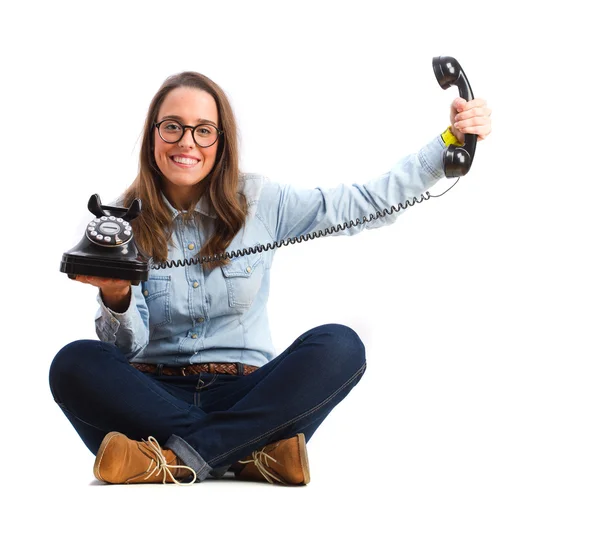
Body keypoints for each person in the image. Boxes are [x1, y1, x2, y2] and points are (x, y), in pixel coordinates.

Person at [49, 71, 492, 486]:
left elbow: (361, 203)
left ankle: (169, 460)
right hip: (153, 399)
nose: (188, 141)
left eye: (203, 129)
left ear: (221, 143)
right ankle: (247, 454)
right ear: (153, 136)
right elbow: (126, 351)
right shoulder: (121, 221)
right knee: (73, 364)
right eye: (173, 126)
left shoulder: (261, 200)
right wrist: (116, 294)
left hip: (250, 395)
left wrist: (449, 143)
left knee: (340, 345)